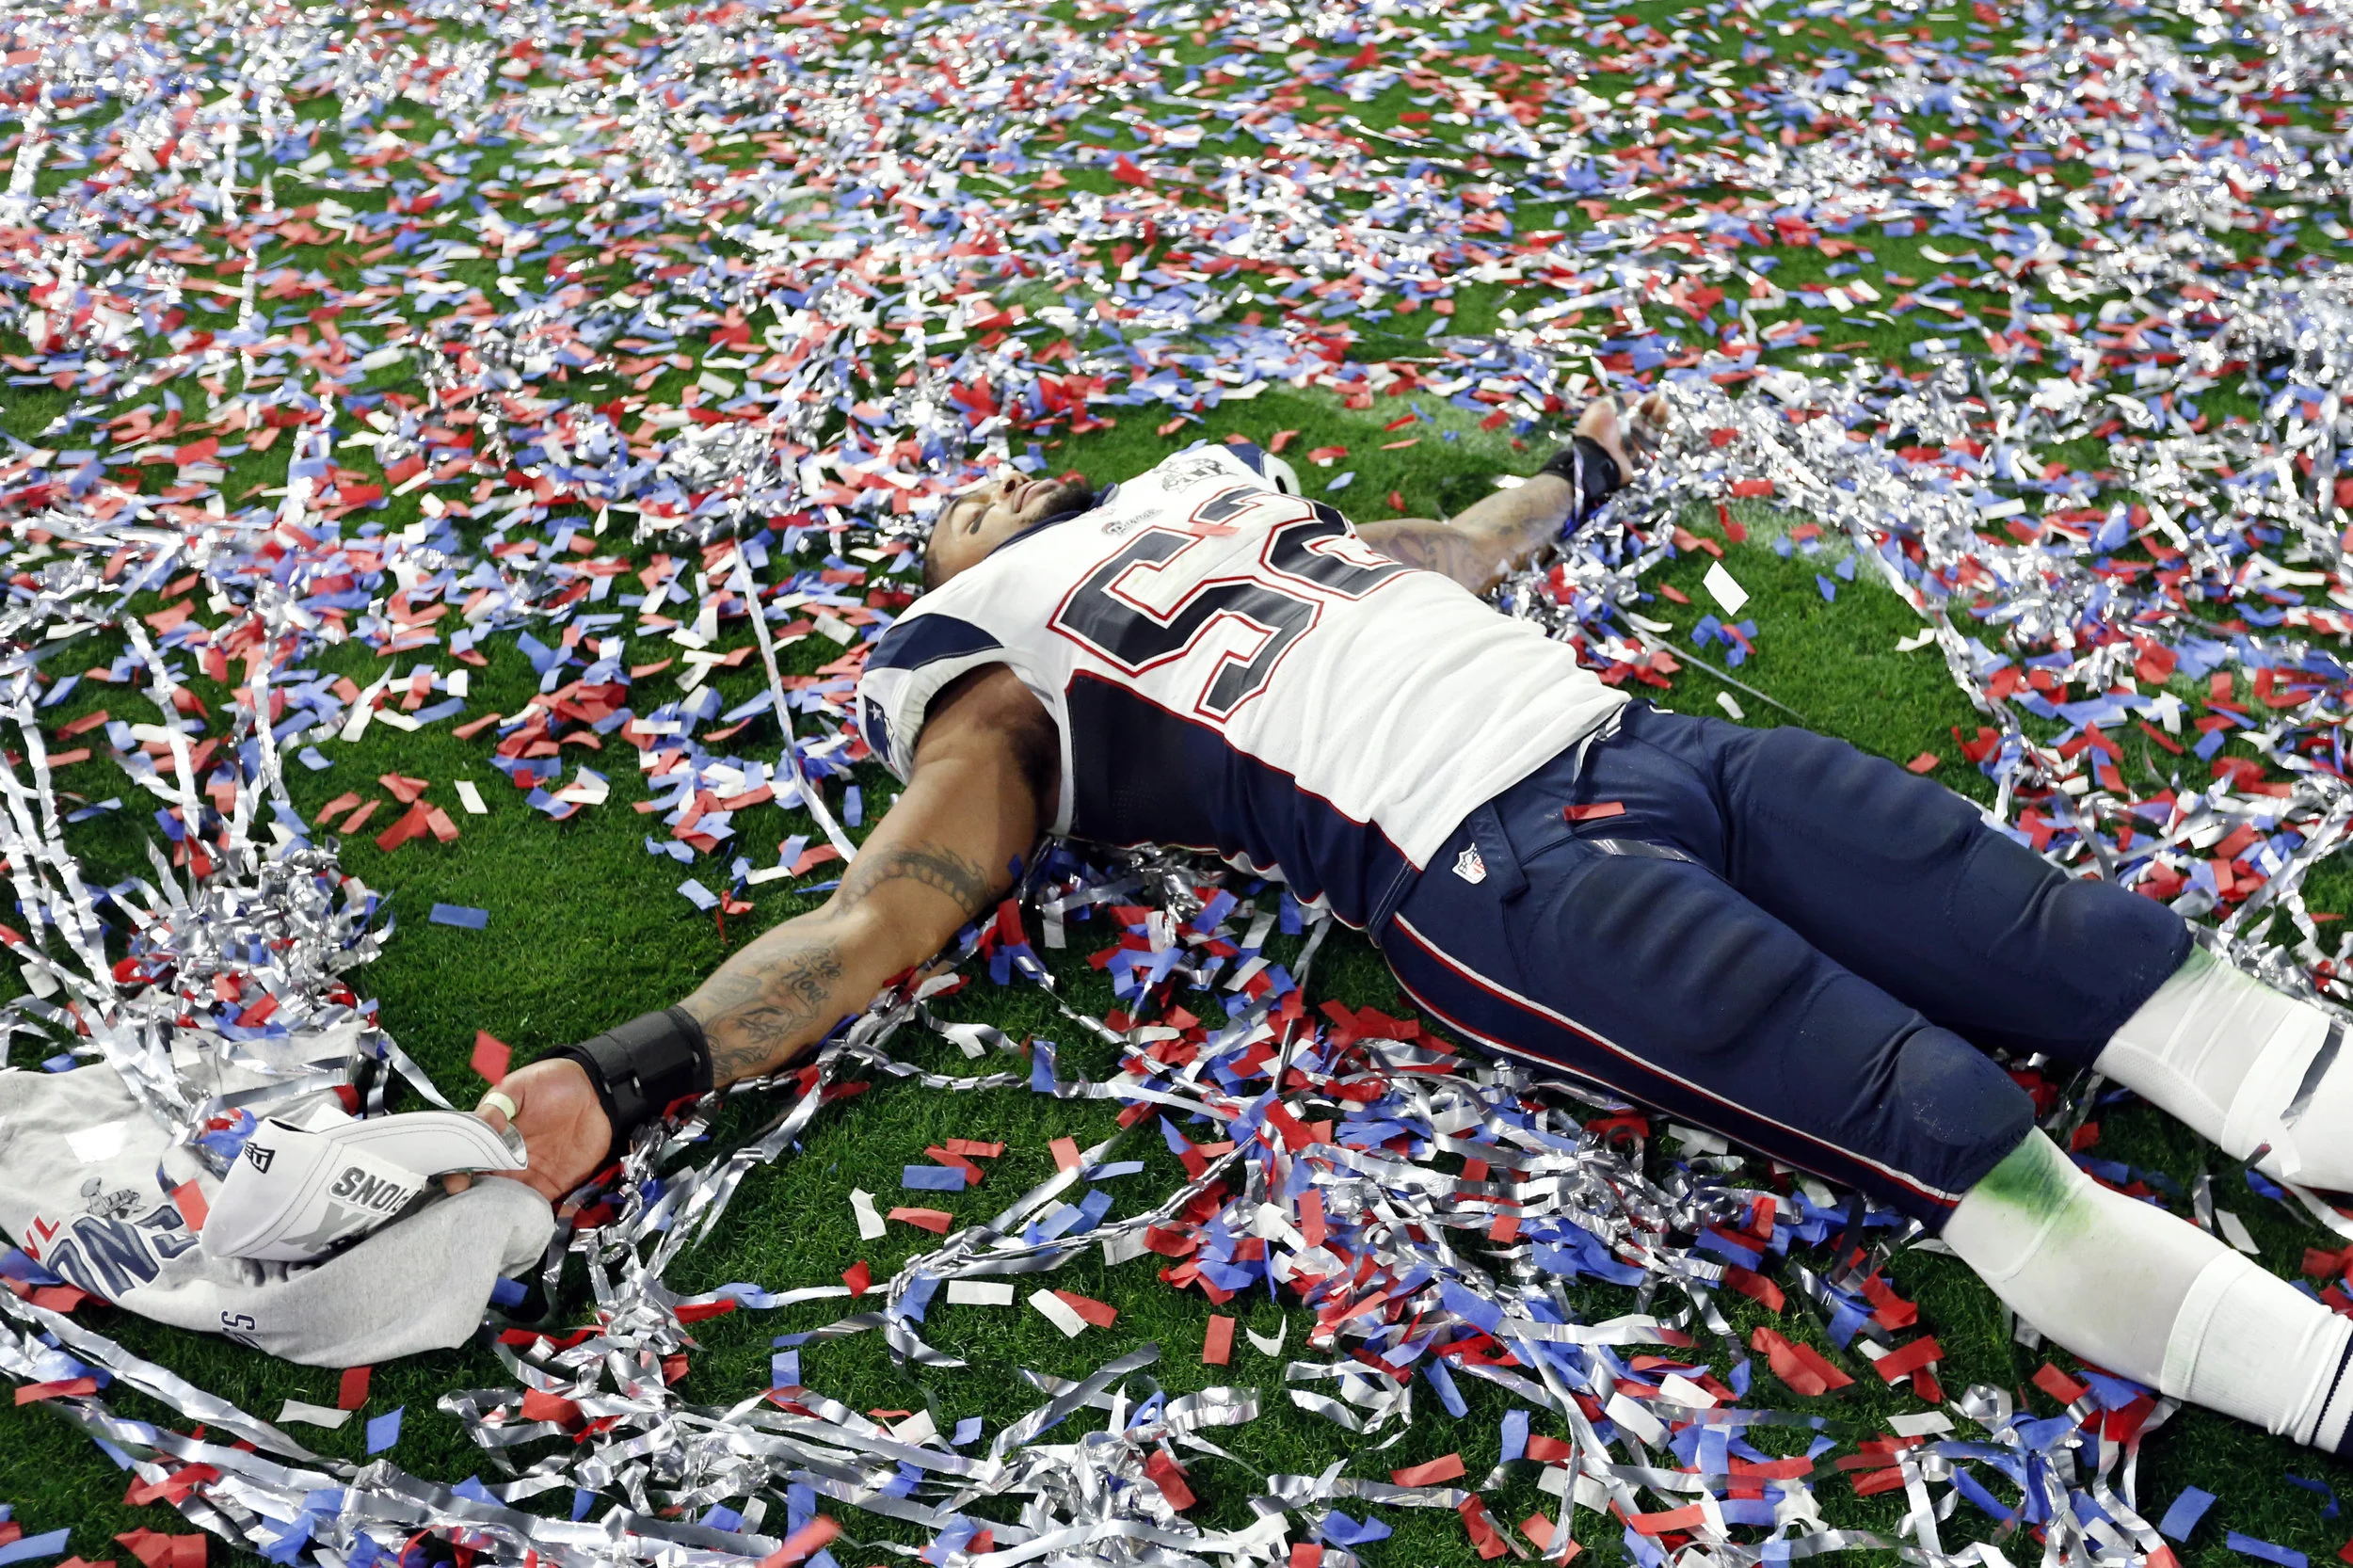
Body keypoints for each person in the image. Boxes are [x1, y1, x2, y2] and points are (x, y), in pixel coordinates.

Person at [469, 397, 2353, 1455]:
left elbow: (1437, 558)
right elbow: (885, 904)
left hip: (1653, 746)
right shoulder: (993, 671)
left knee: (2102, 951)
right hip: (1496, 875)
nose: (950, 492)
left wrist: (1565, 481)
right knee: (1951, 1125)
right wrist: (622, 1073)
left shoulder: (1206, 493)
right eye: (930, 528)